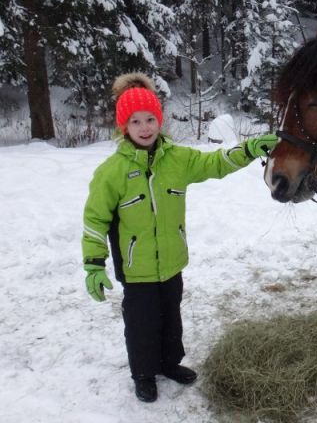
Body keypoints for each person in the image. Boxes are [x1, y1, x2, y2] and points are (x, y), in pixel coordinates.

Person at [81, 73, 277, 403]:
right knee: (142, 324)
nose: (145, 127)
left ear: (160, 121)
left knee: (171, 316)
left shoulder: (178, 159)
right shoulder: (111, 172)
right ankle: (143, 373)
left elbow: (215, 162)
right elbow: (94, 220)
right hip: (137, 268)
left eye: (150, 119)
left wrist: (247, 150)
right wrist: (93, 265)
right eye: (136, 121)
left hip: (172, 263)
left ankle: (169, 364)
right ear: (123, 127)